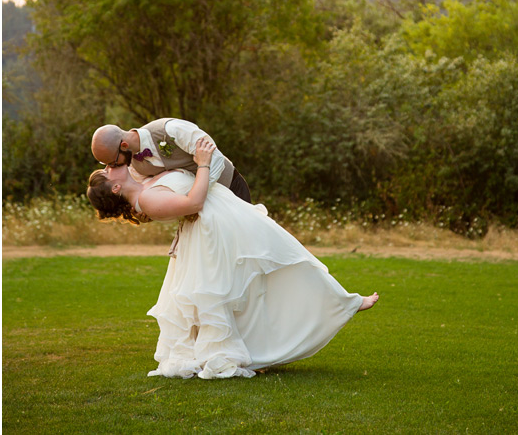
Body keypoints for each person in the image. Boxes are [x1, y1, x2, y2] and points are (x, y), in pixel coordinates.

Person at [87, 138, 379, 380]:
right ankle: (343, 303)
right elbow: (194, 202)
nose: (111, 166)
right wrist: (202, 163)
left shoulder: (143, 180)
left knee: (278, 263)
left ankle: (340, 302)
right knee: (282, 259)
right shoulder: (147, 200)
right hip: (214, 232)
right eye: (107, 171)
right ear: (114, 188)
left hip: (225, 220)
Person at [91, 119, 252, 202]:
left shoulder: (170, 129)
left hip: (231, 188)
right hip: (203, 206)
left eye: (112, 162)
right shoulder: (134, 167)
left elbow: (214, 157)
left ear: (124, 145)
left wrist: (197, 194)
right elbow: (151, 191)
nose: (112, 167)